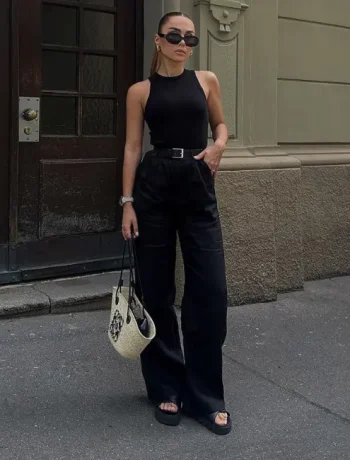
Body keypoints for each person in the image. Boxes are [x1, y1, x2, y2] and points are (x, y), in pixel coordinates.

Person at [120, 11, 230, 435]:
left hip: (198, 184)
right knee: (157, 290)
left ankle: (206, 395)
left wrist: (219, 146)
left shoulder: (207, 80)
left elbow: (221, 126)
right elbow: (132, 147)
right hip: (154, 188)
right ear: (158, 40)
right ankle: (167, 386)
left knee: (210, 290)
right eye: (175, 36)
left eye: (190, 38)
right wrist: (127, 202)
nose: (183, 43)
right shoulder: (140, 91)